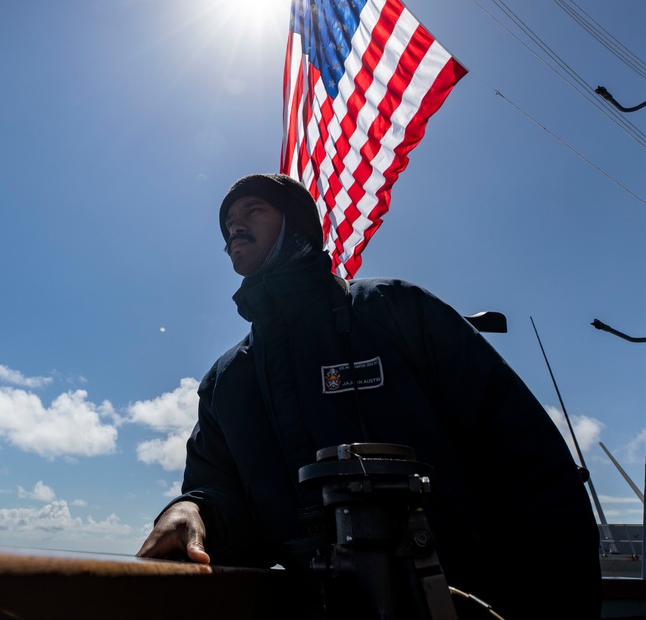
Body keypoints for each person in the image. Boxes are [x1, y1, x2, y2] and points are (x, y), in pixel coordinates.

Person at [137, 173, 601, 618]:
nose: (234, 226)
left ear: (297, 225)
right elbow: (221, 494)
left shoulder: (396, 310)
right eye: (228, 223)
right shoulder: (226, 380)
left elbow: (529, 463)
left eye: (252, 210)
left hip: (475, 602)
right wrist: (191, 508)